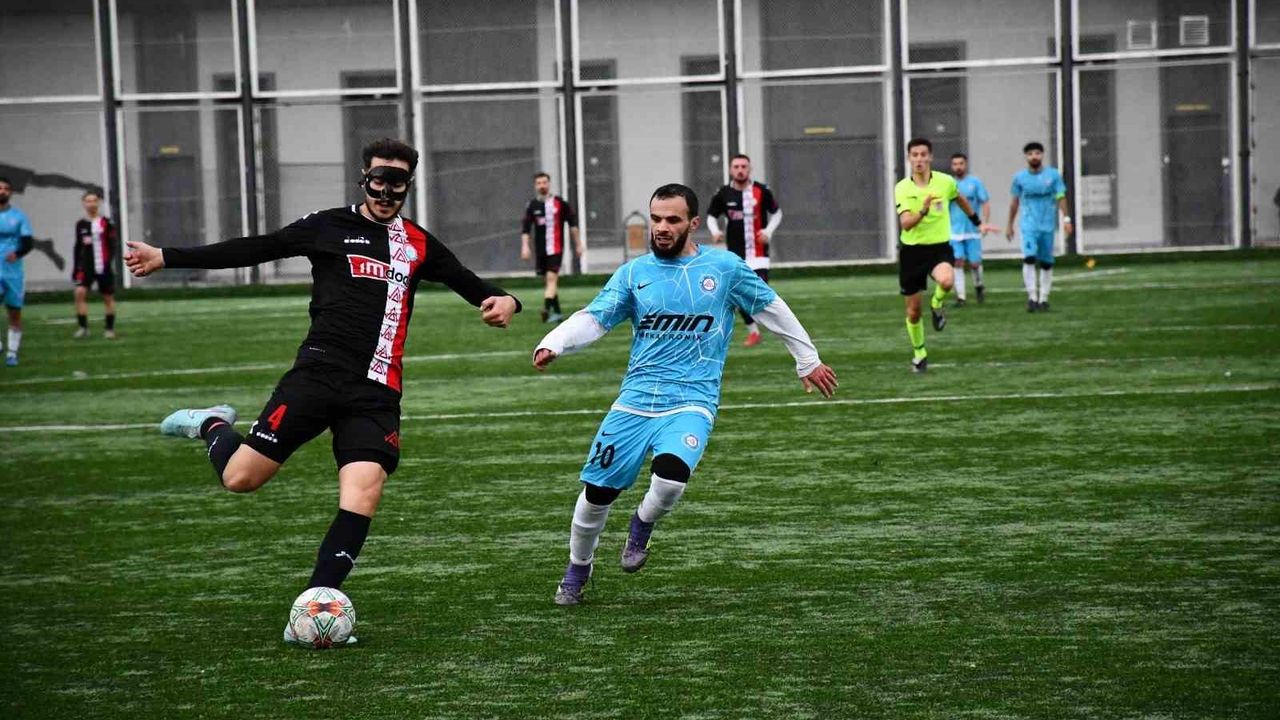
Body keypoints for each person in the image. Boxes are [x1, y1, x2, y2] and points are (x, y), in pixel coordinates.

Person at [123, 138, 521, 645]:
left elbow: (472, 284)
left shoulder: (419, 243)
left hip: (376, 391)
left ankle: (314, 606)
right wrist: (166, 256)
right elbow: (260, 247)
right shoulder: (328, 226)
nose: (386, 191)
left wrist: (507, 301)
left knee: (364, 491)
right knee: (241, 479)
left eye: (397, 182)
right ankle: (211, 424)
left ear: (408, 186)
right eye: (379, 179)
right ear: (364, 178)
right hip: (316, 377)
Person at [533, 183, 837, 605]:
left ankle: (641, 525)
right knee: (597, 494)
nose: (661, 227)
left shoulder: (724, 268)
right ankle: (577, 569)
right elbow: (595, 318)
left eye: (672, 220)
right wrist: (555, 342)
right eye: (656, 218)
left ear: (693, 224)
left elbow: (772, 307)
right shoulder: (634, 274)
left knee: (671, 478)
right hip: (635, 401)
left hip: (693, 399)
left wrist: (807, 359)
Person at [893, 138, 986, 374]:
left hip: (939, 248)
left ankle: (936, 304)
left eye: (923, 154)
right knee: (913, 312)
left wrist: (977, 222)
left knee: (946, 280)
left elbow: (959, 198)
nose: (919, 159)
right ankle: (919, 354)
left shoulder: (945, 182)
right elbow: (906, 224)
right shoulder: (902, 188)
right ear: (909, 158)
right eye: (915, 155)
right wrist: (923, 210)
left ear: (930, 157)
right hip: (912, 252)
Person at [705, 154, 782, 347]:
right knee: (737, 294)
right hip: (736, 255)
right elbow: (711, 216)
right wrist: (715, 232)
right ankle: (754, 332)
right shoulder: (723, 193)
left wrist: (768, 231)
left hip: (759, 254)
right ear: (731, 170)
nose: (740, 170)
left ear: (749, 169)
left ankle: (779, 327)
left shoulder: (762, 190)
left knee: (759, 294)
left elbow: (777, 213)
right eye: (736, 167)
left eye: (743, 166)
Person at [1006, 141, 1071, 312]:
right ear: (1026, 157)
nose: (1034, 156)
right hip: (1028, 225)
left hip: (1047, 225)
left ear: (1042, 155)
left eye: (1037, 153)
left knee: (1046, 262)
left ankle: (1044, 299)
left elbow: (1061, 197)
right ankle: (1032, 297)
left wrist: (1066, 219)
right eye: (1030, 154)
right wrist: (1010, 225)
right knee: (1029, 257)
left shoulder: (1053, 175)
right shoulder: (1020, 178)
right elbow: (1014, 202)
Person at [521, 172, 582, 323]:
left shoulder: (560, 203)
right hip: (540, 250)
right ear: (535, 186)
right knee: (549, 282)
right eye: (539, 183)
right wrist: (525, 247)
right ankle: (558, 313)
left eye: (544, 182)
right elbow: (526, 229)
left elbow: (573, 225)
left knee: (551, 279)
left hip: (556, 249)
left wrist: (578, 244)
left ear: (549, 184)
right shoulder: (532, 205)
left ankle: (546, 309)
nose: (542, 185)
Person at [947, 153, 992, 306]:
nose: (958, 167)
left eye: (961, 163)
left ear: (965, 165)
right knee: (957, 262)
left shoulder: (975, 182)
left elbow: (985, 202)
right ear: (951, 166)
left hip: (973, 230)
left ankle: (979, 286)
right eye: (955, 164)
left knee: (974, 263)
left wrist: (984, 223)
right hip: (954, 231)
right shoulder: (949, 184)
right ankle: (961, 297)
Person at [72, 190, 118, 339]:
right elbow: (78, 247)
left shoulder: (107, 222)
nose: (91, 204)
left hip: (103, 266)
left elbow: (113, 244)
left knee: (108, 297)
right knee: (79, 293)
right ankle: (83, 327)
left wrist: (108, 262)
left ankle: (109, 329)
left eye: (94, 201)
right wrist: (76, 268)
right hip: (86, 267)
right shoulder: (81, 224)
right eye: (88, 201)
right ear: (84, 204)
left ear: (98, 202)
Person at [0, 177, 34, 367]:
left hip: (13, 272)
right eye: (0, 188)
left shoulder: (19, 217)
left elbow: (28, 242)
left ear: (10, 192)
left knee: (14, 312)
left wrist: (18, 253)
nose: (2, 191)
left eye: (6, 188)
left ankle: (12, 353)